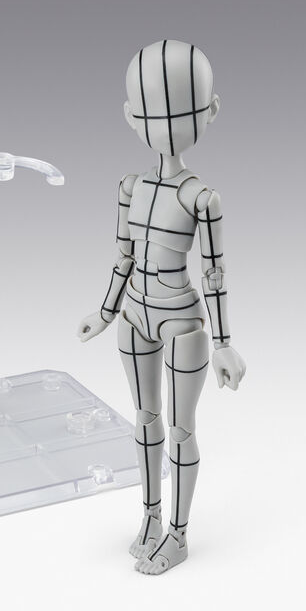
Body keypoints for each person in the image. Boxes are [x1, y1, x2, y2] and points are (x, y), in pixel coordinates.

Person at [78, 39, 245, 575]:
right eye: (155, 112)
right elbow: (123, 256)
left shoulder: (202, 198)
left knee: (179, 428)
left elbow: (214, 273)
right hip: (134, 314)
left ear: (210, 111)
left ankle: (178, 533)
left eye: (182, 110)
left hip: (180, 320)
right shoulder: (129, 187)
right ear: (132, 116)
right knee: (145, 420)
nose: (168, 124)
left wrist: (223, 343)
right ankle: (151, 518)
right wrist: (106, 312)